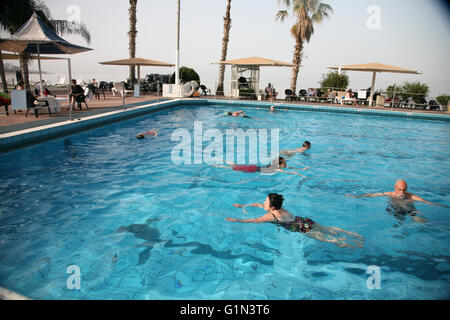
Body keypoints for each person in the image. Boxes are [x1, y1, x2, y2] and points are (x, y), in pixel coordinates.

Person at [226, 193, 364, 248]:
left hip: (302, 229)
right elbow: (259, 205)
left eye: (265, 202)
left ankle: (355, 245)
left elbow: (254, 220)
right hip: (304, 220)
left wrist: (236, 220)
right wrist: (243, 205)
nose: (263, 203)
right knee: (327, 228)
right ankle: (352, 234)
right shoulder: (278, 208)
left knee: (331, 240)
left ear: (272, 207)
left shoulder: (271, 216)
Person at [348, 179, 448, 223]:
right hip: (395, 208)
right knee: (399, 219)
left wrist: (445, 207)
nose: (402, 192)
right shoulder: (390, 194)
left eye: (404, 189)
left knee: (421, 221)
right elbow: (373, 195)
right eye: (399, 189)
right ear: (395, 188)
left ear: (407, 189)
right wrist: (357, 197)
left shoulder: (411, 196)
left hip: (409, 208)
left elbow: (427, 202)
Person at [213, 157, 308, 177]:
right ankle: (218, 165)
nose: (286, 164)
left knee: (236, 166)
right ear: (280, 164)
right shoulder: (277, 169)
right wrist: (299, 174)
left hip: (254, 167)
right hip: (252, 169)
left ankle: (223, 160)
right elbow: (289, 172)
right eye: (284, 163)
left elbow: (289, 169)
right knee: (234, 168)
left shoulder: (275, 166)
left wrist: (301, 169)